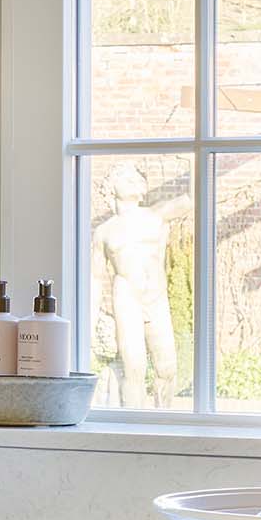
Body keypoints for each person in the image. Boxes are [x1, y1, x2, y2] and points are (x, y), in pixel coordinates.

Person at [92, 164, 184, 407]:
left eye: (137, 178)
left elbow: (192, 199)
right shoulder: (104, 231)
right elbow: (95, 279)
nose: (134, 181)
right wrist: (89, 324)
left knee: (167, 366)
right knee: (134, 367)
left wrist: (197, 153)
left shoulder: (156, 215)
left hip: (156, 297)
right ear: (111, 188)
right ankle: (133, 419)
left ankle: (163, 418)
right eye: (126, 177)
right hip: (127, 298)